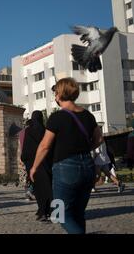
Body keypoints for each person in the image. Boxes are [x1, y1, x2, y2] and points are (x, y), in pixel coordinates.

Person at [30, 78, 103, 234]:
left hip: (65, 168)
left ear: (59, 94)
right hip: (87, 167)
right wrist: (83, 149)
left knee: (59, 214)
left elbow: (44, 146)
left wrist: (34, 167)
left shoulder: (57, 117)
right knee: (77, 214)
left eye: (55, 93)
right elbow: (99, 139)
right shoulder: (88, 115)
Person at [22, 111, 53, 222]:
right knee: (48, 188)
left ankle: (42, 211)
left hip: (32, 166)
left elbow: (26, 149)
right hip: (46, 164)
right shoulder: (46, 131)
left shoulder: (29, 131)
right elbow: (50, 147)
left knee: (38, 190)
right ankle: (50, 211)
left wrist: (24, 159)